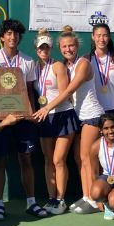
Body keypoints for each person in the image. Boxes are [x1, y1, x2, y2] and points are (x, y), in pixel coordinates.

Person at [35, 27, 103, 215]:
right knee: (79, 158)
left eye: (71, 46)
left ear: (77, 46)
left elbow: (67, 92)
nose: (68, 49)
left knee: (87, 158)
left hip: (91, 115)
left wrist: (47, 108)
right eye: (64, 47)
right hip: (78, 117)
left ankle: (95, 200)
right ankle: (86, 195)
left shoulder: (83, 64)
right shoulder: (66, 65)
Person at [0, 18, 46, 219]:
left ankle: (31, 202)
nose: (12, 37)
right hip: (2, 120)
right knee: (1, 160)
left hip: (23, 120)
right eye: (8, 33)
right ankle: (0, 204)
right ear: (2, 37)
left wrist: (32, 114)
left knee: (26, 159)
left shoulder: (27, 61)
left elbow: (29, 92)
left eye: (16, 34)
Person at [30, 30, 79, 215]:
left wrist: (47, 108)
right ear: (36, 48)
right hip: (44, 117)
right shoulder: (34, 67)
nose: (43, 50)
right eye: (40, 47)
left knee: (59, 160)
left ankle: (61, 199)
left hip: (63, 115)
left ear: (51, 48)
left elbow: (64, 93)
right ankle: (51, 199)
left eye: (46, 47)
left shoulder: (58, 66)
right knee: (48, 160)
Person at [89, 23, 114, 125]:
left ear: (109, 37)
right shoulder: (87, 59)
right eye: (98, 35)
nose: (102, 39)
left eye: (105, 35)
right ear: (93, 36)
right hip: (97, 109)